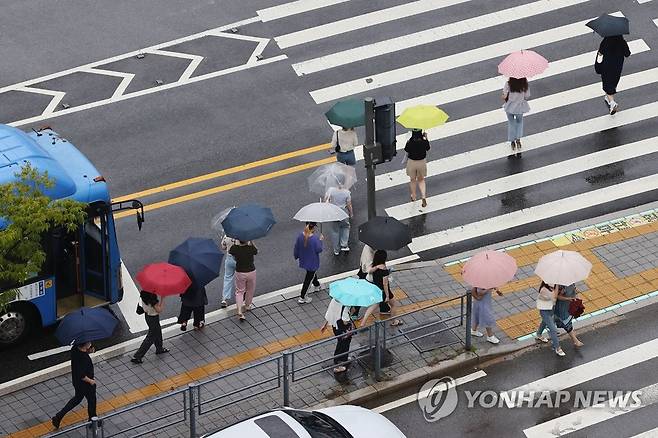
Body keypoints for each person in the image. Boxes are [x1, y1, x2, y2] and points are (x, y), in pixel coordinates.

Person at [52, 342, 97, 429]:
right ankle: (92, 420)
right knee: (91, 400)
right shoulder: (84, 358)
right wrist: (91, 381)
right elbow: (82, 375)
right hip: (86, 384)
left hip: (77, 382)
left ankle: (58, 417)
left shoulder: (75, 349)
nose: (90, 343)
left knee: (77, 399)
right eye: (89, 342)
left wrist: (88, 351)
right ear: (85, 345)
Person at [365, 250, 402, 326]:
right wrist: (387, 296)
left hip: (377, 290)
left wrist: (376, 267)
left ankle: (364, 321)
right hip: (384, 291)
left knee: (374, 306)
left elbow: (369, 271)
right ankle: (394, 321)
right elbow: (385, 284)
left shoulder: (374, 266)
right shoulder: (384, 270)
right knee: (394, 305)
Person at [132, 291, 168, 364]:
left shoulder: (144, 293)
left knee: (157, 332)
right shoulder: (152, 299)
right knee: (150, 337)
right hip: (153, 318)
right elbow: (159, 310)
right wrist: (162, 299)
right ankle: (138, 356)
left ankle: (159, 348)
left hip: (147, 316)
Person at [597, 35, 630, 115]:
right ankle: (608, 98)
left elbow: (600, 53)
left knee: (607, 85)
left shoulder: (606, 40)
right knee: (612, 83)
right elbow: (627, 54)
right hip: (617, 67)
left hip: (607, 67)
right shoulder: (622, 41)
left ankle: (612, 103)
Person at [320, 299, 354, 373]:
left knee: (341, 343)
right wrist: (351, 312)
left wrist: (325, 325)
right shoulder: (347, 305)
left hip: (335, 326)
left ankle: (344, 359)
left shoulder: (334, 300)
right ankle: (338, 364)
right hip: (343, 329)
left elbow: (329, 312)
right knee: (343, 344)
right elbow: (345, 321)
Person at [294, 222, 323, 304]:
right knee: (309, 278)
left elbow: (296, 248)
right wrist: (320, 240)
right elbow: (319, 249)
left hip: (304, 260)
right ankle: (303, 297)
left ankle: (317, 285)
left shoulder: (300, 236)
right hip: (312, 262)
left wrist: (296, 257)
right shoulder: (314, 239)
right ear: (313, 228)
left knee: (312, 274)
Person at [502, 77, 530, 158]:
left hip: (509, 106)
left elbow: (504, 95)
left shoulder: (508, 83)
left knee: (511, 122)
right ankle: (518, 139)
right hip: (519, 107)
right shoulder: (524, 84)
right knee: (519, 122)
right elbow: (527, 95)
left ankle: (512, 141)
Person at [230, 240, 257, 321]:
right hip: (251, 271)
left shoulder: (235, 248)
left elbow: (230, 251)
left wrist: (235, 242)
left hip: (240, 272)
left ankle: (239, 310)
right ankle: (247, 305)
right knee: (250, 290)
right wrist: (252, 242)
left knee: (239, 291)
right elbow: (256, 251)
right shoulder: (250, 248)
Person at [535, 282, 565, 356]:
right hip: (544, 311)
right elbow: (554, 298)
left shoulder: (552, 288)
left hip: (550, 309)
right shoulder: (544, 290)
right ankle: (558, 348)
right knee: (553, 329)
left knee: (544, 322)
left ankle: (538, 334)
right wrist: (557, 286)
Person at [404, 129, 431, 207]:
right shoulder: (424, 141)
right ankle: (423, 196)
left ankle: (413, 196)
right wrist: (426, 138)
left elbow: (406, 150)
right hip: (421, 162)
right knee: (421, 180)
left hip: (412, 162)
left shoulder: (410, 142)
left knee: (412, 180)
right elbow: (428, 148)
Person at [325, 183, 353, 255]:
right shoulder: (346, 192)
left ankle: (336, 250)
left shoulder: (330, 190)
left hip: (334, 212)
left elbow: (326, 200)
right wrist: (351, 213)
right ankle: (344, 244)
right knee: (345, 227)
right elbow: (349, 204)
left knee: (335, 231)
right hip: (343, 212)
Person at [220, 235, 238, 308]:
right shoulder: (242, 235)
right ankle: (240, 296)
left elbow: (223, 247)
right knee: (240, 277)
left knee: (228, 278)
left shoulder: (226, 235)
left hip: (229, 258)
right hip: (239, 259)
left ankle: (224, 299)